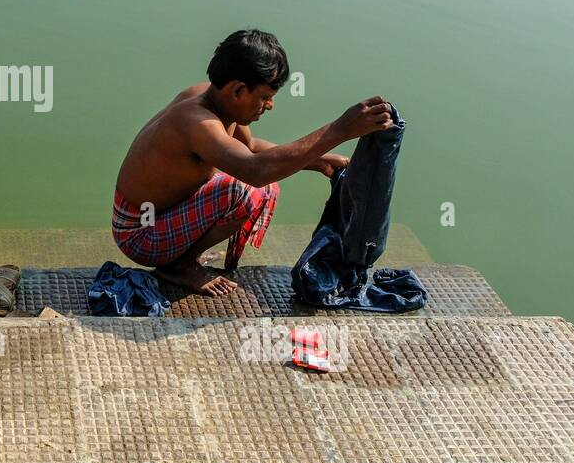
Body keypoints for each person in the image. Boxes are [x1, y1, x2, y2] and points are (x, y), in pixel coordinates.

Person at [112, 29, 393, 294]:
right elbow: (254, 170)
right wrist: (341, 129)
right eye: (265, 97)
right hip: (140, 233)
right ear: (237, 91)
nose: (269, 106)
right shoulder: (197, 122)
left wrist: (321, 162)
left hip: (161, 215)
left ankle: (185, 251)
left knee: (265, 188)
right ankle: (178, 266)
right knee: (245, 190)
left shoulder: (214, 98)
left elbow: (251, 148)